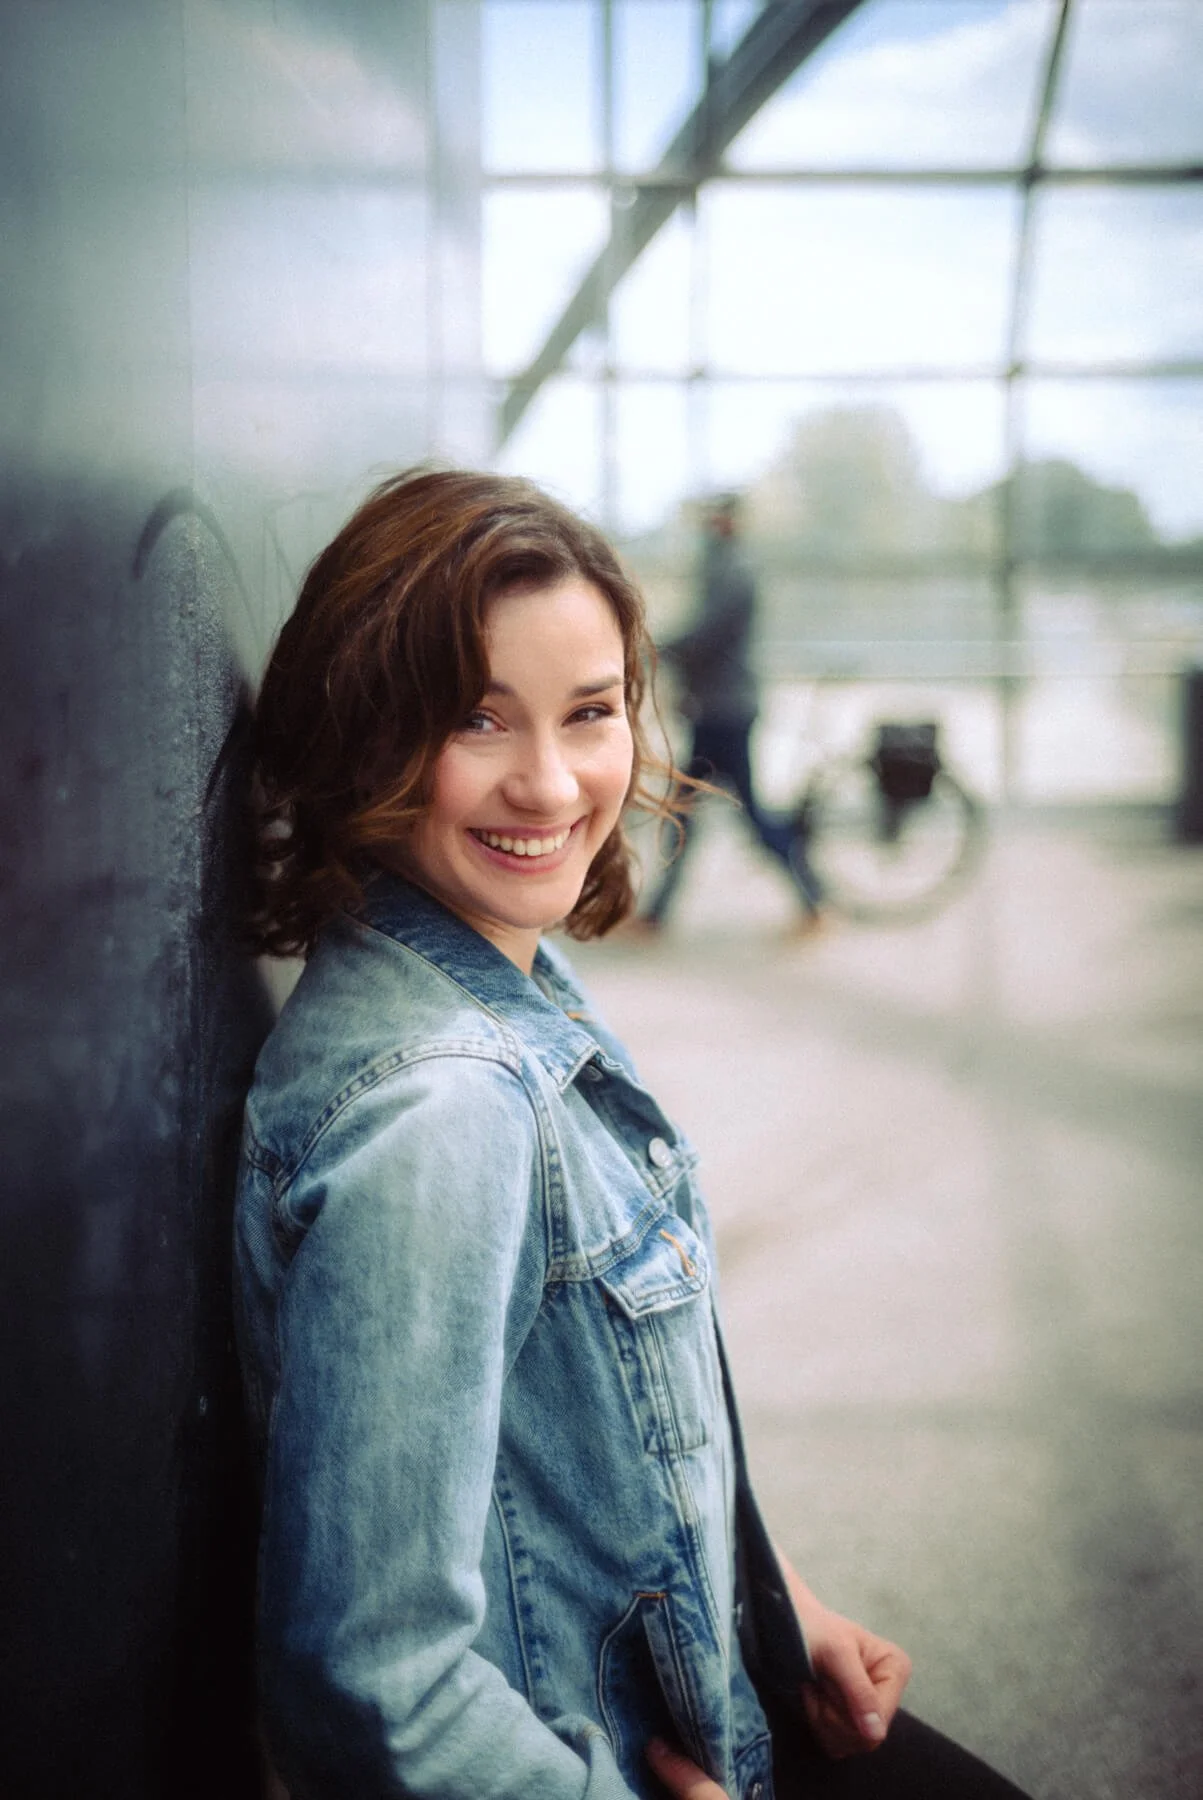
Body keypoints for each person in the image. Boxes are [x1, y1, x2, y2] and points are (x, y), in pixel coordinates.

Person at [234, 467, 1032, 1800]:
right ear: (362, 727)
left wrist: (774, 1606)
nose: (550, 783)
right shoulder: (445, 1112)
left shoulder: (497, 978)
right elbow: (370, 1690)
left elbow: (589, 1451)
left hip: (725, 1691)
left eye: (589, 712)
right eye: (476, 719)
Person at [641, 493, 824, 935]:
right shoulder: (724, 565)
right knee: (688, 807)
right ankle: (656, 915)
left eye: (716, 516)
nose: (710, 524)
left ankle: (816, 901)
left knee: (732, 813)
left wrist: (663, 646)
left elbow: (709, 632)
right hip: (718, 707)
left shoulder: (735, 569)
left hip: (724, 711)